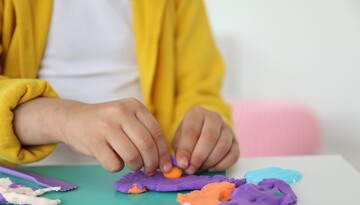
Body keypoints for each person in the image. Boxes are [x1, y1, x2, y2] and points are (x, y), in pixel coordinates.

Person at [0, 0, 240, 176]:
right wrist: (66, 119)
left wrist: (202, 132)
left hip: (149, 182)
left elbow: (198, 89)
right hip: (21, 184)